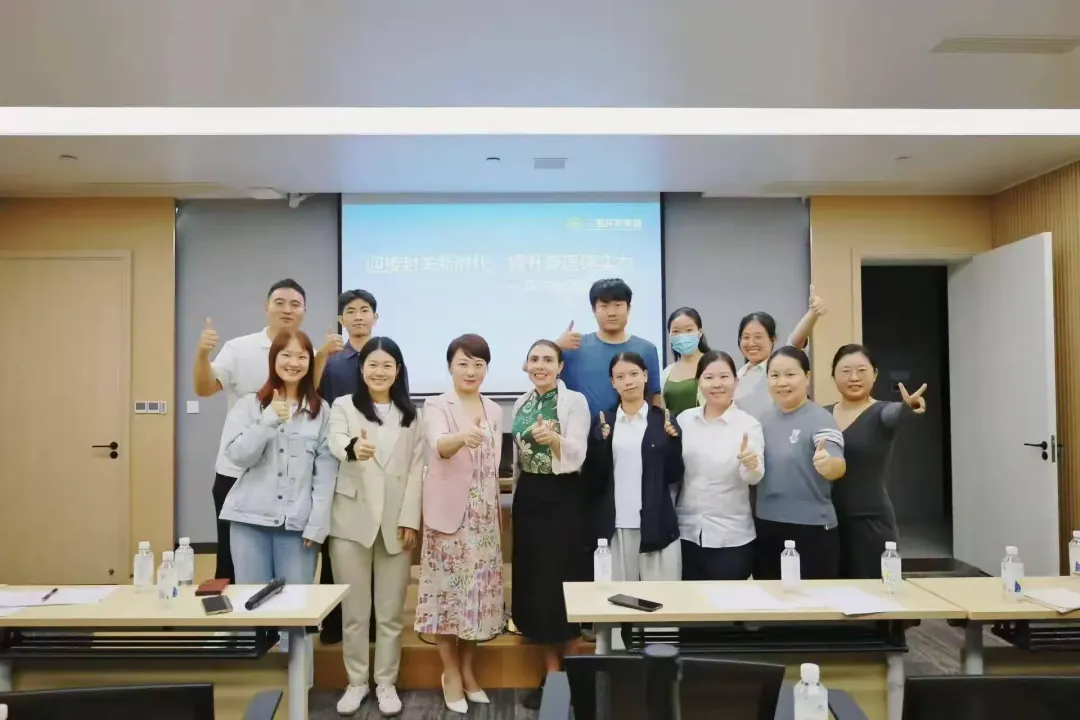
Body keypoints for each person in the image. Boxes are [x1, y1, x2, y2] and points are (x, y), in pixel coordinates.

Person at [194, 278, 341, 582]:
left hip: (292, 485)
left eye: (295, 304)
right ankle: (235, 616)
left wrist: (322, 357)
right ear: (266, 307)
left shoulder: (310, 358)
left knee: (293, 587)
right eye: (280, 302)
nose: (287, 309)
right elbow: (205, 388)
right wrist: (202, 355)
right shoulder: (239, 349)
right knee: (232, 569)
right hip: (238, 476)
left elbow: (307, 399)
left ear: (304, 310)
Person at [217, 330, 337, 676]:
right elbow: (236, 456)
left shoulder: (321, 411)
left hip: (297, 527)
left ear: (310, 362)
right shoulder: (249, 405)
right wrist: (267, 420)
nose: (294, 363)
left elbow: (325, 473)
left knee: (296, 614)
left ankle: (299, 691)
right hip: (249, 521)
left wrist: (317, 524)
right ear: (274, 360)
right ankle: (253, 688)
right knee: (251, 609)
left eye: (301, 356)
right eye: (286, 355)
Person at [327, 337, 422, 717]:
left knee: (390, 613)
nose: (379, 372)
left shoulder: (411, 414)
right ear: (361, 369)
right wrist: (352, 447)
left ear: (397, 371)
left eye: (387, 365)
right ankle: (356, 682)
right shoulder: (343, 406)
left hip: (396, 523)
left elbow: (417, 469)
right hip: (351, 520)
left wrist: (410, 518)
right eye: (373, 365)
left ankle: (385, 682)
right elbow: (335, 440)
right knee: (354, 613)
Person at [414, 334, 504, 714]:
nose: (471, 371)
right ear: (450, 366)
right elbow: (439, 445)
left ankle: (468, 671)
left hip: (484, 521)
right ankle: (449, 671)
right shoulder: (436, 405)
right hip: (449, 519)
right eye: (463, 363)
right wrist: (462, 437)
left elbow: (493, 466)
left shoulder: (495, 409)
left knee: (476, 601)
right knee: (446, 600)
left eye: (478, 364)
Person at [509, 340, 591, 710]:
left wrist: (555, 439)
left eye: (547, 359)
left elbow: (578, 454)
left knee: (562, 583)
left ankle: (575, 678)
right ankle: (552, 676)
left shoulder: (574, 401)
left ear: (560, 366)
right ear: (526, 365)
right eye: (534, 359)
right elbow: (517, 458)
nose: (540, 365)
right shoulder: (521, 403)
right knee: (535, 584)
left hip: (563, 496)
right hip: (529, 496)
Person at [827, 344, 927, 579]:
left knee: (875, 592)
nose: (854, 378)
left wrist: (909, 407)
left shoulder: (881, 411)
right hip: (827, 522)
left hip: (870, 522)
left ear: (875, 374)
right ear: (833, 375)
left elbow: (895, 414)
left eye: (862, 371)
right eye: (846, 371)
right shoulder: (821, 415)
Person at [316, 288, 379, 645]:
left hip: (378, 459)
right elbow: (316, 402)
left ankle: (370, 621)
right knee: (337, 543)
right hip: (338, 458)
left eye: (364, 310)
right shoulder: (333, 361)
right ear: (341, 319)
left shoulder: (386, 355)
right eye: (351, 311)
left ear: (375, 317)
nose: (358, 316)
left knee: (374, 541)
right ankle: (334, 621)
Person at [587, 352, 684, 581]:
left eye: (633, 374)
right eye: (620, 377)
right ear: (612, 382)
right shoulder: (604, 421)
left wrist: (674, 443)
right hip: (615, 525)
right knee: (616, 597)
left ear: (645, 376)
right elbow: (593, 478)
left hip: (656, 524)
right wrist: (599, 444)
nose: (628, 381)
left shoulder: (663, 419)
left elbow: (674, 475)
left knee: (662, 597)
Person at [753, 346, 846, 580]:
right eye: (775, 375)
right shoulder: (762, 419)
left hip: (811, 528)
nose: (782, 382)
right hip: (766, 525)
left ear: (807, 376)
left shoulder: (821, 418)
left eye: (790, 374)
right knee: (769, 597)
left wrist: (829, 464)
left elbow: (837, 462)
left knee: (813, 599)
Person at [676, 351, 764, 581]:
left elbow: (754, 477)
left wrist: (751, 464)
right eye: (708, 377)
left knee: (728, 601)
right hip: (686, 533)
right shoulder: (685, 420)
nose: (716, 384)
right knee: (689, 601)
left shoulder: (748, 425)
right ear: (698, 382)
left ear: (736, 380)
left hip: (731, 537)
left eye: (724, 377)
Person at [556, 278, 662, 414]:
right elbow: (534, 371)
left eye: (618, 305)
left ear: (628, 308)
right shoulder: (573, 347)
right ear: (594, 310)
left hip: (632, 426)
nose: (611, 313)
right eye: (604, 306)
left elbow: (654, 397)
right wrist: (556, 346)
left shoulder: (646, 349)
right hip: (579, 427)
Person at [734, 290, 827, 420]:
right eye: (746, 337)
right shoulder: (739, 373)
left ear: (773, 339)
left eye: (758, 337)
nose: (751, 343)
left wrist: (812, 313)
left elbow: (794, 342)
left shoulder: (777, 367)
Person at [660, 307, 709, 417]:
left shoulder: (713, 365)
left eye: (689, 330)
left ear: (700, 333)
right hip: (672, 427)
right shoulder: (667, 372)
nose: (682, 336)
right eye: (676, 331)